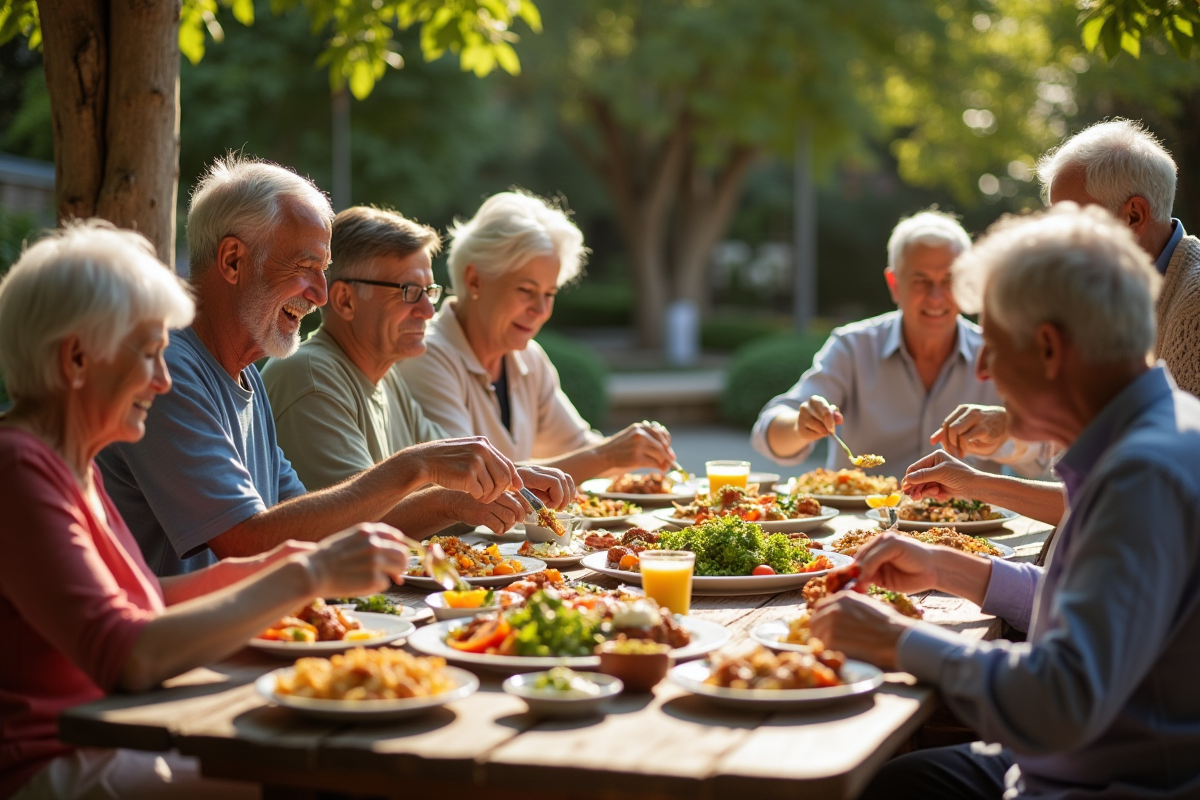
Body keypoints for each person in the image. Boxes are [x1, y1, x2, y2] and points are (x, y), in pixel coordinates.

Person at [0, 221, 416, 799]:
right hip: (56, 764)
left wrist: (279, 568)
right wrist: (308, 574)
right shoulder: (19, 467)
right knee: (328, 778)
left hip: (124, 731)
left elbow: (142, 600)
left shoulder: (71, 461)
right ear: (76, 359)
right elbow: (128, 655)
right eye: (149, 354)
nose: (164, 379)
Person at [811, 204, 1200, 799]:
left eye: (991, 343)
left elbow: (1060, 699)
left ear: (1048, 348)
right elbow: (1099, 612)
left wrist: (896, 641)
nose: (984, 369)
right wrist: (947, 567)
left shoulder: (1141, 474)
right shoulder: (1157, 431)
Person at [97, 156, 570, 576]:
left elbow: (306, 525)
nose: (320, 294)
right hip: (178, 656)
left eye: (323, 271)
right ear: (233, 259)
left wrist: (454, 497)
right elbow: (246, 541)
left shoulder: (244, 373)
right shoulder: (168, 370)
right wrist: (417, 466)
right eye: (305, 268)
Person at [262, 206, 571, 535]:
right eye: (409, 292)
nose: (426, 311)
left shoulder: (385, 375)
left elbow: (457, 469)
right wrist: (452, 503)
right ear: (345, 300)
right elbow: (352, 526)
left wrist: (517, 477)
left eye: (429, 292)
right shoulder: (312, 378)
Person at [932, 118, 1200, 461]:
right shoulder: (1106, 293)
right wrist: (1011, 423)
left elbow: (1141, 471)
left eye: (1070, 221)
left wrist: (978, 486)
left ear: (1134, 215)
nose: (1057, 237)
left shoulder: (1191, 308)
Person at [399, 191, 676, 483]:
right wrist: (607, 455)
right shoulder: (427, 355)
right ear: (474, 280)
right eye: (526, 291)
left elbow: (581, 449)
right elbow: (470, 482)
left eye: (549, 294)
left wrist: (632, 449)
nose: (541, 310)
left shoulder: (529, 358)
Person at [751, 210, 1045, 475]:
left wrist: (1009, 429)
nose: (936, 297)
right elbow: (767, 436)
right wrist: (799, 427)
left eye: (948, 280)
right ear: (894, 285)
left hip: (967, 530)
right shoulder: (853, 347)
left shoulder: (997, 353)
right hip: (863, 529)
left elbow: (1043, 462)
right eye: (921, 281)